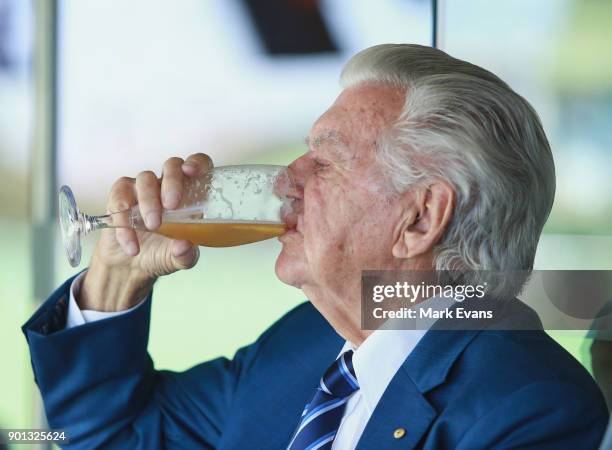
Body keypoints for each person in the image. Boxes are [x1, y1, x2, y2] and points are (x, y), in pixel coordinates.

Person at [23, 44, 608, 449]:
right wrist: (116, 277)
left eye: (324, 160)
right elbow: (108, 436)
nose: (287, 178)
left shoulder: (530, 411)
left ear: (421, 218)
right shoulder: (309, 345)